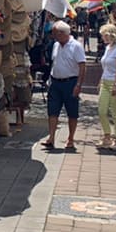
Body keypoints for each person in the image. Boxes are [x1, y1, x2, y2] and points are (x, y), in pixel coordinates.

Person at [43, 21, 87, 150]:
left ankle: (71, 139)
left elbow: (82, 66)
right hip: (55, 82)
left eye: (55, 33)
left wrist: (78, 85)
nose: (53, 36)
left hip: (70, 82)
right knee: (52, 110)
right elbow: (54, 62)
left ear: (62, 33)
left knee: (72, 112)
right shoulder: (56, 45)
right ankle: (51, 137)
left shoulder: (76, 46)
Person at [96, 24, 116, 150]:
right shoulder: (108, 48)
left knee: (115, 112)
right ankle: (107, 135)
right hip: (105, 82)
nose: (103, 38)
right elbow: (106, 67)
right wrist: (100, 81)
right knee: (102, 111)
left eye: (105, 35)